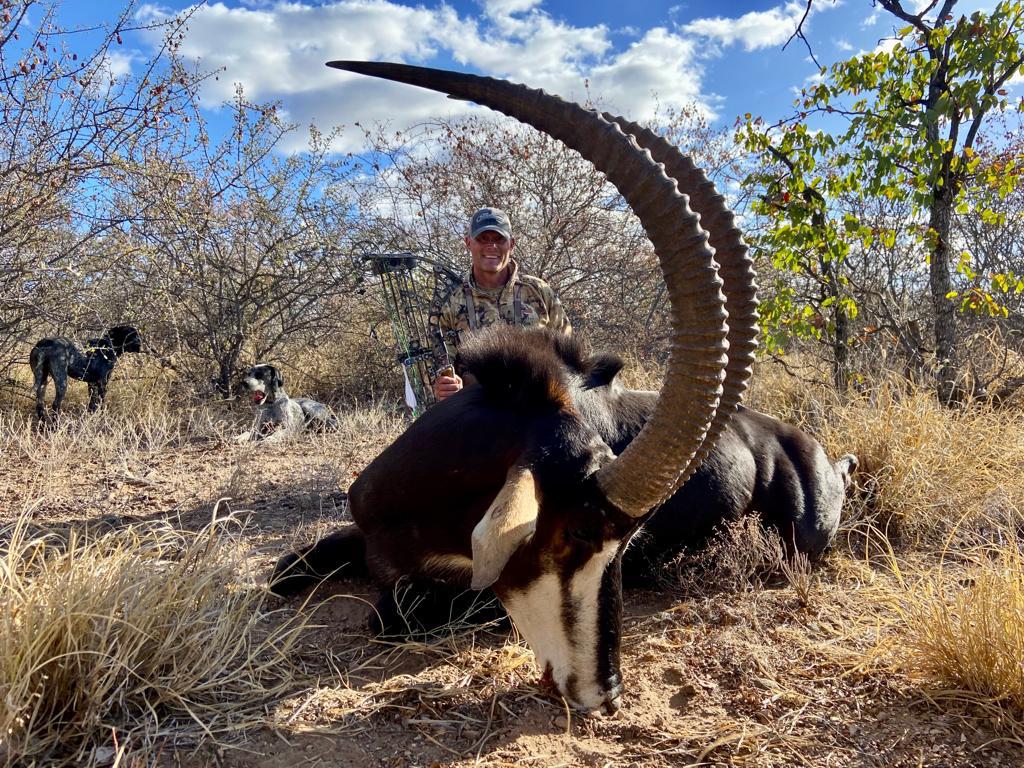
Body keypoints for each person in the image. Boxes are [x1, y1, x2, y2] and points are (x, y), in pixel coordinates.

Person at [431, 206, 571, 401]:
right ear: (468, 242)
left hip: (539, 407)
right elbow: (440, 370)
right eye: (483, 239)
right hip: (479, 410)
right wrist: (444, 387)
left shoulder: (539, 291)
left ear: (511, 244)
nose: (492, 246)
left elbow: (569, 356)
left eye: (499, 239)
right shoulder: (449, 304)